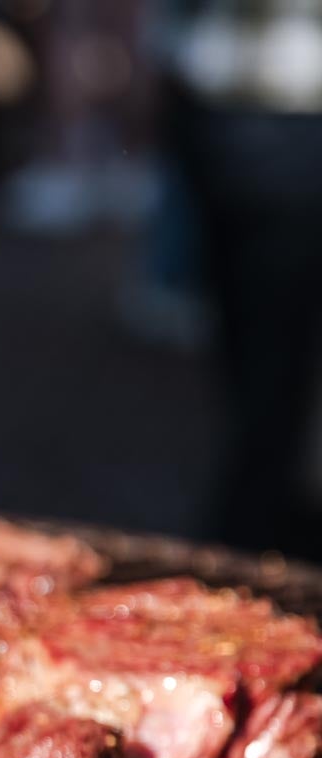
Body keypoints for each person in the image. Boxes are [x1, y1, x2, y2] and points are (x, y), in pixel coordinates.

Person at [165, 0, 322, 556]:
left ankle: (248, 538)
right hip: (231, 107)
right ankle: (253, 538)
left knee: (268, 381)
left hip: (256, 111)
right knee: (261, 376)